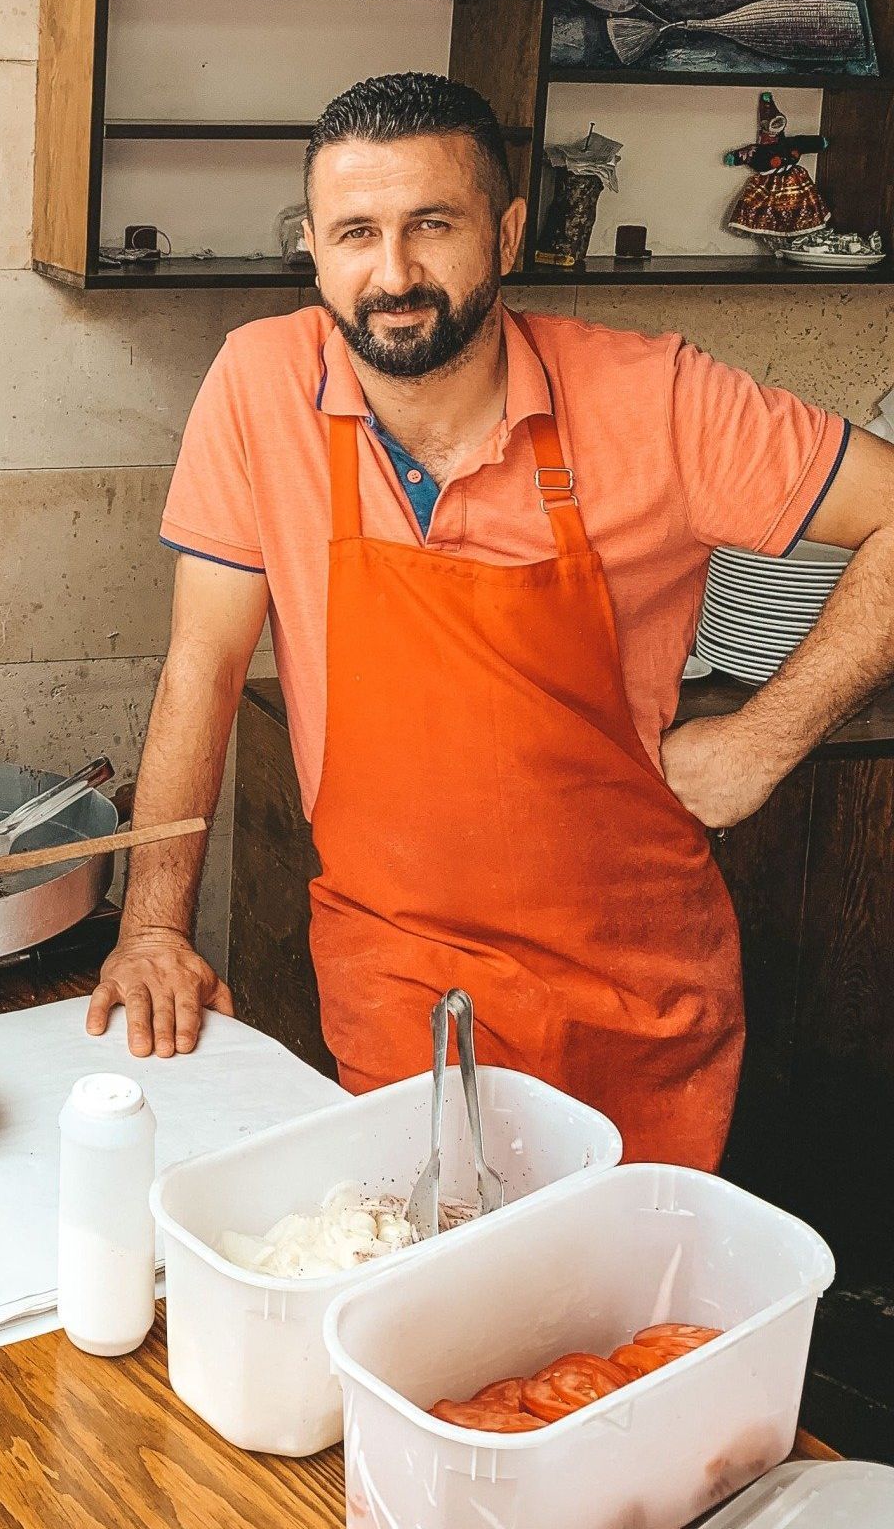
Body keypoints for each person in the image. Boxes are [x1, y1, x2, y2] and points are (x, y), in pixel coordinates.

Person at [88, 72, 894, 1170]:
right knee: (430, 1292)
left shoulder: (655, 397)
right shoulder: (258, 382)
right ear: (314, 253)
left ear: (507, 231)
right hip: (400, 971)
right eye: (357, 234)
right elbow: (205, 662)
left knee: (613, 1329)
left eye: (434, 225)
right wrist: (153, 929)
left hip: (634, 987)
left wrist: (764, 739)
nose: (395, 273)